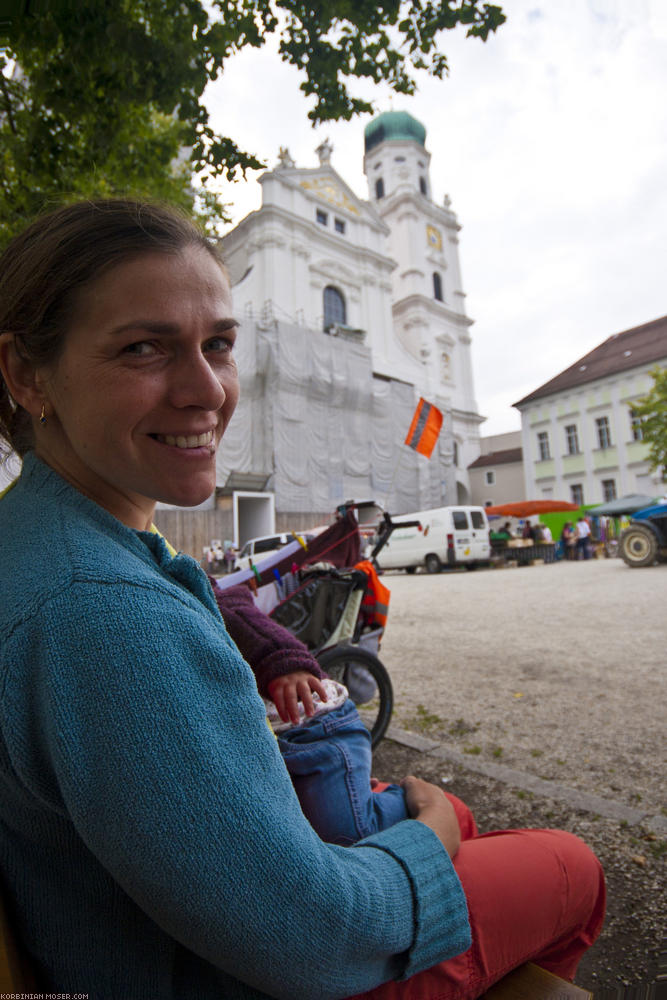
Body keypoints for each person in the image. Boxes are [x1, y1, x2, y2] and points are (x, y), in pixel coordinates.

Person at [0, 200, 605, 1000]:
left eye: (219, 344)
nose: (206, 391)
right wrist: (428, 840)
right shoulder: (99, 607)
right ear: (25, 374)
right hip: (224, 974)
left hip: (166, 936)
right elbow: (314, 935)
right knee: (572, 866)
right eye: (143, 348)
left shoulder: (46, 536)